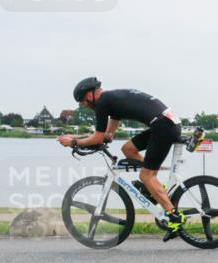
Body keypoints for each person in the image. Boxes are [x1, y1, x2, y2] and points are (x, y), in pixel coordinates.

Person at [59, 77, 186, 239]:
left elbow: (98, 138)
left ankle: (174, 217)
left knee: (146, 176)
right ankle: (156, 189)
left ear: (90, 95)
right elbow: (107, 135)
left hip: (163, 127)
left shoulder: (103, 103)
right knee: (128, 149)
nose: (84, 105)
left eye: (83, 102)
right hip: (166, 124)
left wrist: (73, 143)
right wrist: (76, 137)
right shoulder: (111, 100)